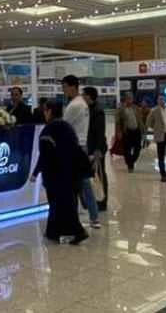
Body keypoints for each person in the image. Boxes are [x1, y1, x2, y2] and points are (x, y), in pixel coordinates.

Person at [31, 101, 89, 245]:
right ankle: (55, 232)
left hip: (55, 173)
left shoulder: (48, 130)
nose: (44, 113)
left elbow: (45, 155)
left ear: (49, 111)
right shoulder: (67, 127)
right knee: (67, 202)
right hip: (71, 171)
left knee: (56, 203)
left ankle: (74, 232)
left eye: (45, 110)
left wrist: (35, 173)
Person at [61, 75, 100, 228]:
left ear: (72, 87)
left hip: (74, 147)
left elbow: (63, 126)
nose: (63, 90)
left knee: (75, 184)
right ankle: (93, 217)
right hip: (81, 146)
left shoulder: (75, 105)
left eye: (64, 87)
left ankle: (75, 217)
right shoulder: (82, 103)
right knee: (83, 183)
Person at [83, 87, 108, 211]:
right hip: (90, 147)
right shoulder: (89, 109)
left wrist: (98, 149)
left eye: (84, 94)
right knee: (91, 174)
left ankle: (102, 201)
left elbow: (100, 131)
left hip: (96, 149)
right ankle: (92, 200)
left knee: (100, 174)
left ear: (89, 96)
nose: (82, 96)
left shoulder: (97, 110)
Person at [117, 92, 144, 172]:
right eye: (128, 98)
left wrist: (143, 131)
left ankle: (131, 161)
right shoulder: (121, 109)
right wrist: (119, 132)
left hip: (136, 131)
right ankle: (130, 166)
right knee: (127, 150)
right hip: (127, 132)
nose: (129, 100)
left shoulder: (136, 108)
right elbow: (118, 121)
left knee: (137, 148)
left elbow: (140, 120)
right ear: (125, 99)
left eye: (131, 98)